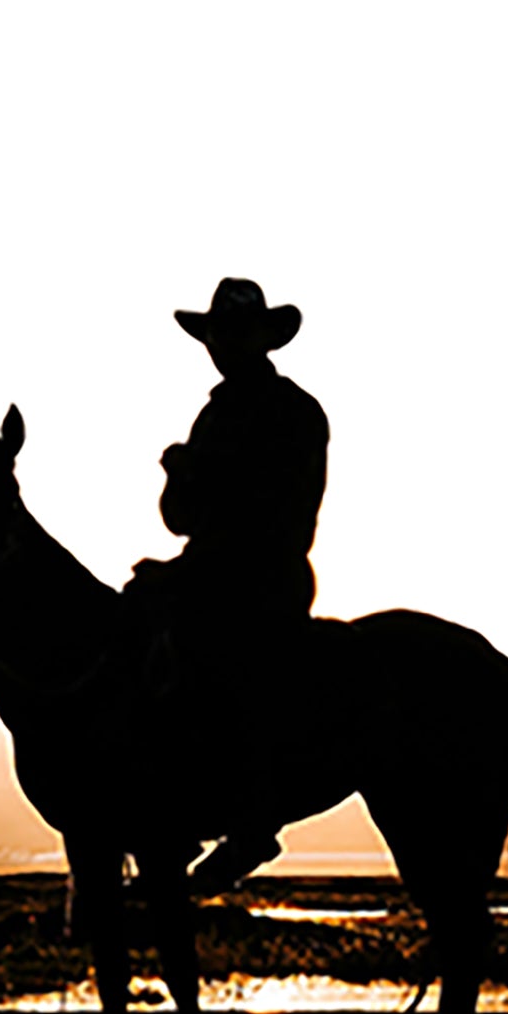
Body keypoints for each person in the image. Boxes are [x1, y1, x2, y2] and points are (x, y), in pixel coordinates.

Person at [127, 278, 330, 888]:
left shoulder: (289, 412)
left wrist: (189, 477)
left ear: (262, 339)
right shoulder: (224, 413)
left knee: (215, 655)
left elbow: (270, 509)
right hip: (219, 568)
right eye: (219, 335)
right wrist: (182, 478)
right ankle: (172, 801)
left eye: (234, 333)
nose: (223, 345)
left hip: (261, 574)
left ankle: (250, 819)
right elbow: (182, 519)